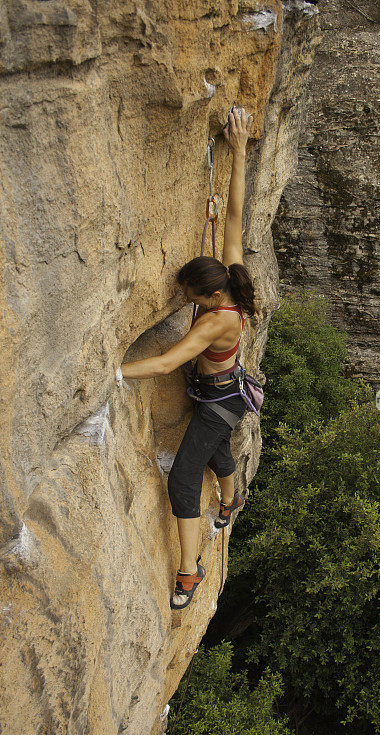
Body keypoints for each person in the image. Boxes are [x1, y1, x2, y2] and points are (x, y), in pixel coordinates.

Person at [117, 106, 258, 610]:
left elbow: (162, 363)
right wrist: (239, 149)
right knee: (214, 447)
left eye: (187, 296)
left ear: (206, 296)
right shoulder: (230, 276)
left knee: (182, 476)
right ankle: (232, 497)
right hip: (222, 393)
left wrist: (111, 371)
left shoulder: (217, 321)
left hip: (221, 400)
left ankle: (189, 571)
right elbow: (237, 215)